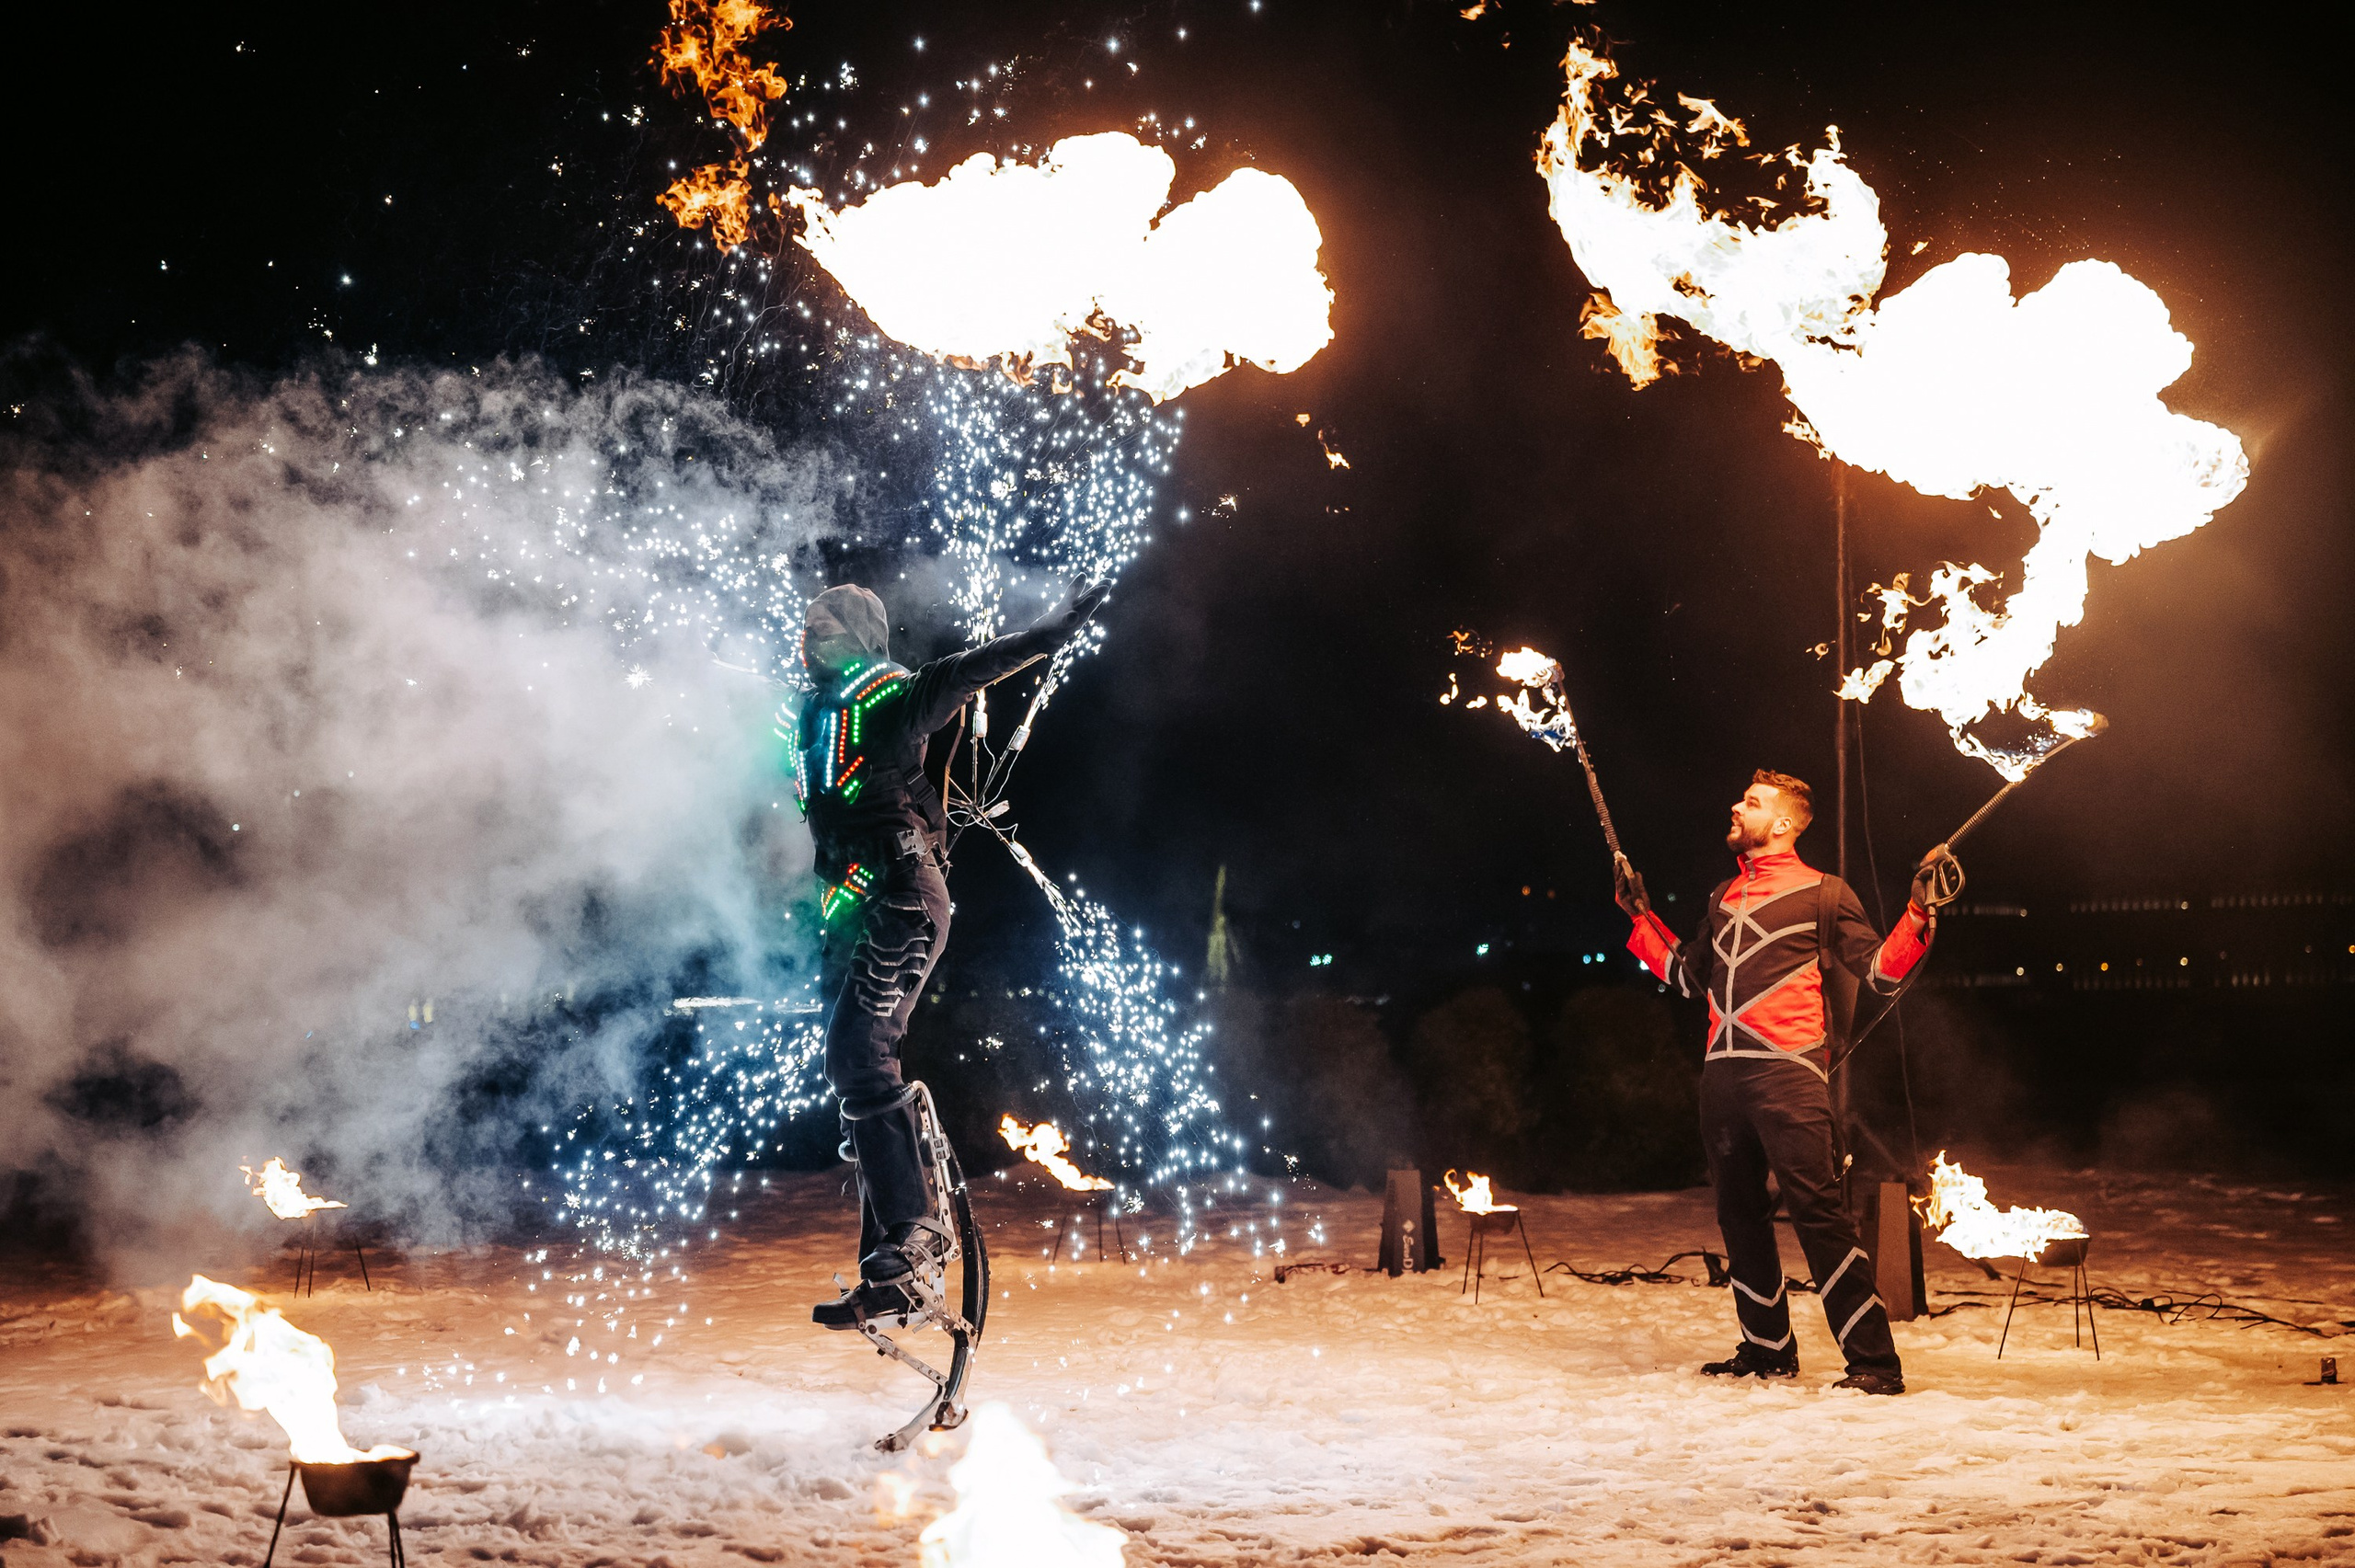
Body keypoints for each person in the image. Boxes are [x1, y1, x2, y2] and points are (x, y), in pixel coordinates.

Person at [791, 578, 1106, 1327]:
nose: (811, 636)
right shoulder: (812, 714)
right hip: (862, 907)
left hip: (904, 894)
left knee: (860, 1055)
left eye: (828, 626)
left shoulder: (887, 693)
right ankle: (888, 1265)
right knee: (852, 1069)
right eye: (807, 625)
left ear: (865, 635)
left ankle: (916, 1235)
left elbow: (965, 670)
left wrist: (1042, 636)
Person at [1613, 770, 1948, 1395]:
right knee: (1738, 1215)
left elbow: (1878, 973)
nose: (1736, 806)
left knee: (1819, 1214)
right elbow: (1688, 976)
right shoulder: (1722, 897)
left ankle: (1874, 1362)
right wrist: (1640, 915)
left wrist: (1918, 910)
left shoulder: (1824, 893)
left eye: (1753, 802)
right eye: (1741, 797)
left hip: (1789, 1074)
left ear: (1786, 824)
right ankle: (1768, 1350)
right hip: (1722, 1077)